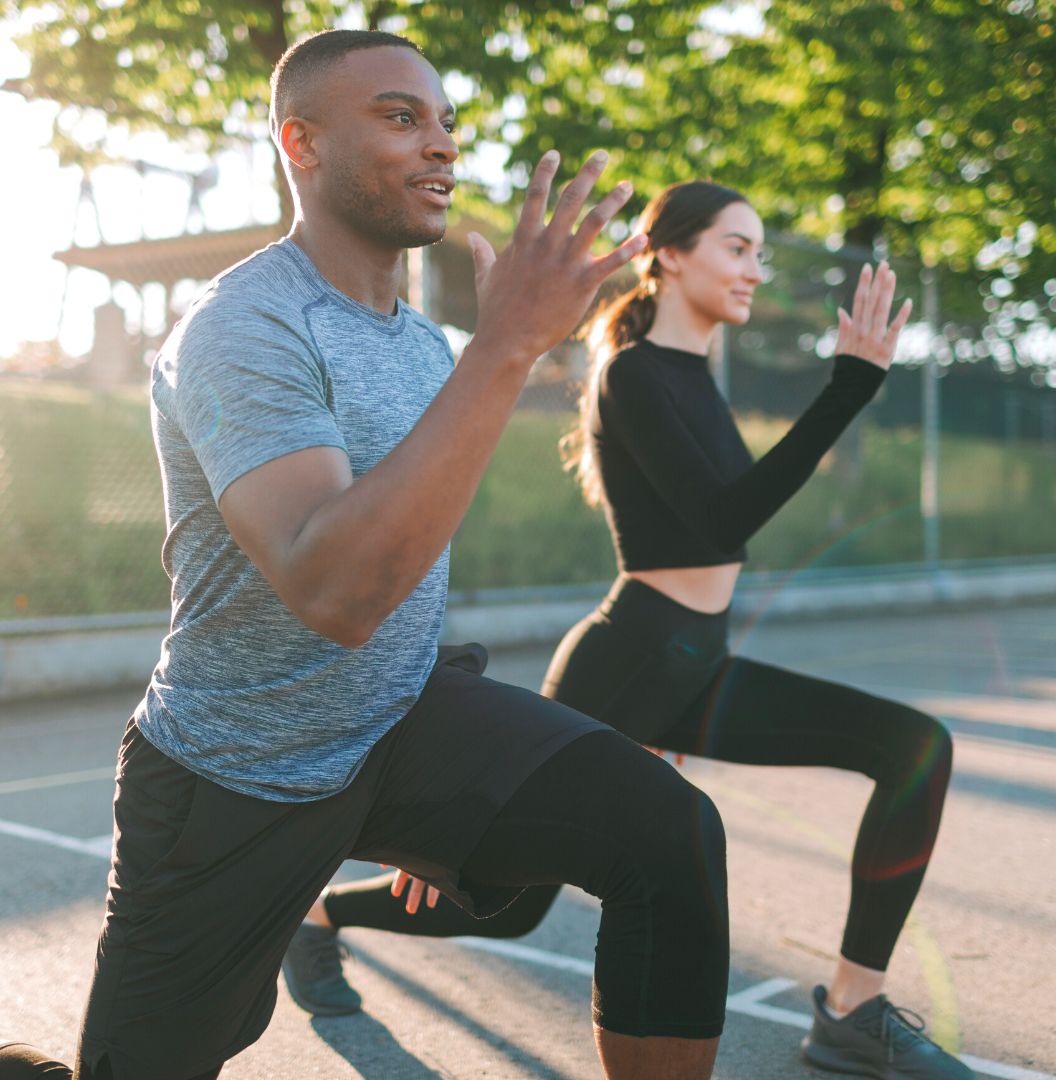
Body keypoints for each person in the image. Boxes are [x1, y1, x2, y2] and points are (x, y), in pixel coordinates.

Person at [0, 32, 731, 1080]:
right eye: (400, 118)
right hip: (233, 776)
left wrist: (449, 781)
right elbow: (333, 590)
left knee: (669, 836)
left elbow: (409, 551)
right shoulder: (241, 327)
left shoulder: (421, 344)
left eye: (445, 123)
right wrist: (507, 347)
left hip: (396, 722)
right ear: (301, 142)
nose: (440, 145)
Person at [283, 182, 976, 1080]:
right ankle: (316, 918)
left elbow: (726, 522)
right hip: (631, 660)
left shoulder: (692, 377)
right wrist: (848, 388)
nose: (754, 270)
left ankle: (851, 1009)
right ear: (671, 253)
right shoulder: (635, 373)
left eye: (760, 252)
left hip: (701, 662)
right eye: (737, 247)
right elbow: (722, 522)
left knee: (914, 746)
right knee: (493, 896)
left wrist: (850, 387)